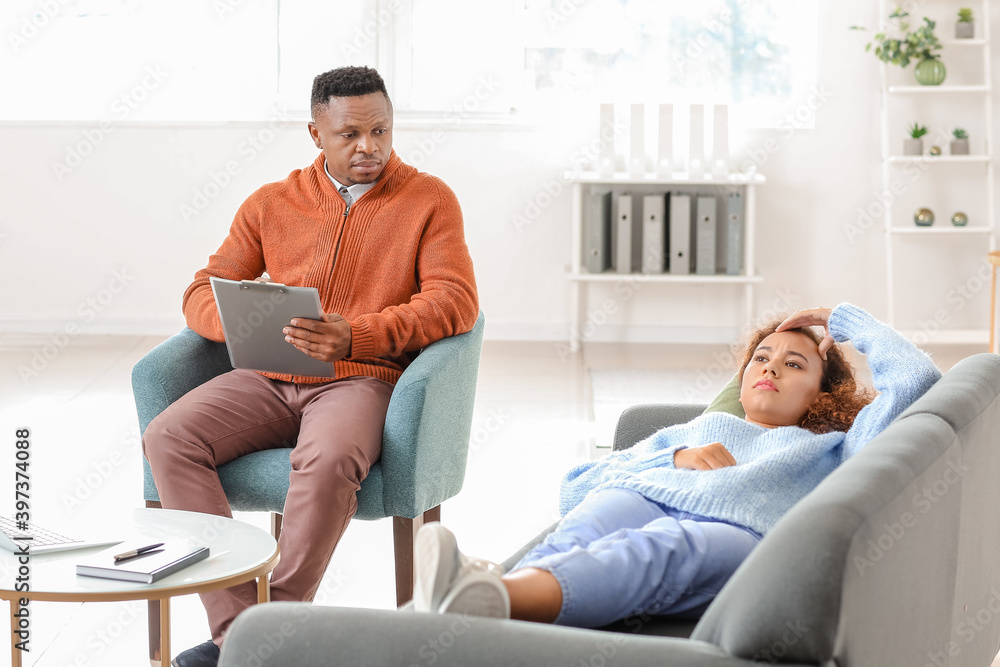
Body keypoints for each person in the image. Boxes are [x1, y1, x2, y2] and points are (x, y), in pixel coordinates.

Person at [142, 65, 478, 667]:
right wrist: (246, 323)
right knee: (168, 435)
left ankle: (270, 631)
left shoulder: (430, 200)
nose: (369, 147)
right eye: (350, 134)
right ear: (316, 132)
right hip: (266, 376)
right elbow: (202, 290)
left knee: (325, 461)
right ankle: (239, 634)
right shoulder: (272, 202)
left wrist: (357, 335)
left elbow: (455, 302)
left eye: (381, 130)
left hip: (362, 378)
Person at [412, 303, 940, 627]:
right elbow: (576, 488)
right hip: (651, 492)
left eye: (794, 363)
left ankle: (490, 594)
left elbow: (916, 377)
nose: (770, 367)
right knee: (592, 523)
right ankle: (482, 595)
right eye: (762, 357)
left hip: (742, 533)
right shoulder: (686, 434)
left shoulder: (834, 445)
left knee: (662, 549)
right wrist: (675, 458)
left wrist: (838, 318)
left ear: (823, 394)